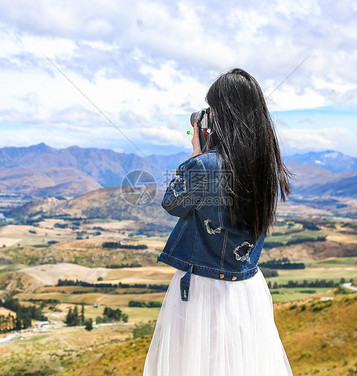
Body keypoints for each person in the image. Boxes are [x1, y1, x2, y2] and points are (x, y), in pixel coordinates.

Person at [143, 68, 293, 376]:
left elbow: (172, 203)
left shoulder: (206, 165)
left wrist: (197, 153)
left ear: (222, 114)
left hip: (203, 290)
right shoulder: (267, 167)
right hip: (247, 288)